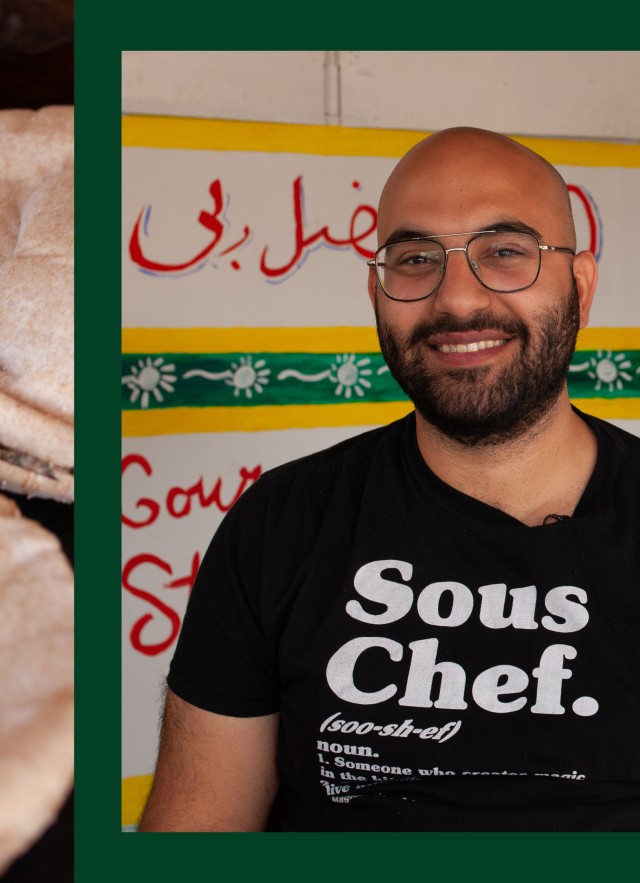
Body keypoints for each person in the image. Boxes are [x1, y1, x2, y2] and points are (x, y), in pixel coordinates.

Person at [138, 126, 640, 832]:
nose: (457, 299)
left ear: (581, 287)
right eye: (414, 258)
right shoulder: (280, 523)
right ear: (376, 294)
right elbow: (197, 829)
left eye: (504, 251)